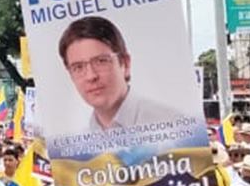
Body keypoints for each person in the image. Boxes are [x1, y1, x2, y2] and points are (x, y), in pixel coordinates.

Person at [56, 16, 192, 138]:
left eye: (101, 61)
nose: (91, 76)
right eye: (78, 67)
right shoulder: (76, 145)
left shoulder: (174, 126)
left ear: (125, 63)